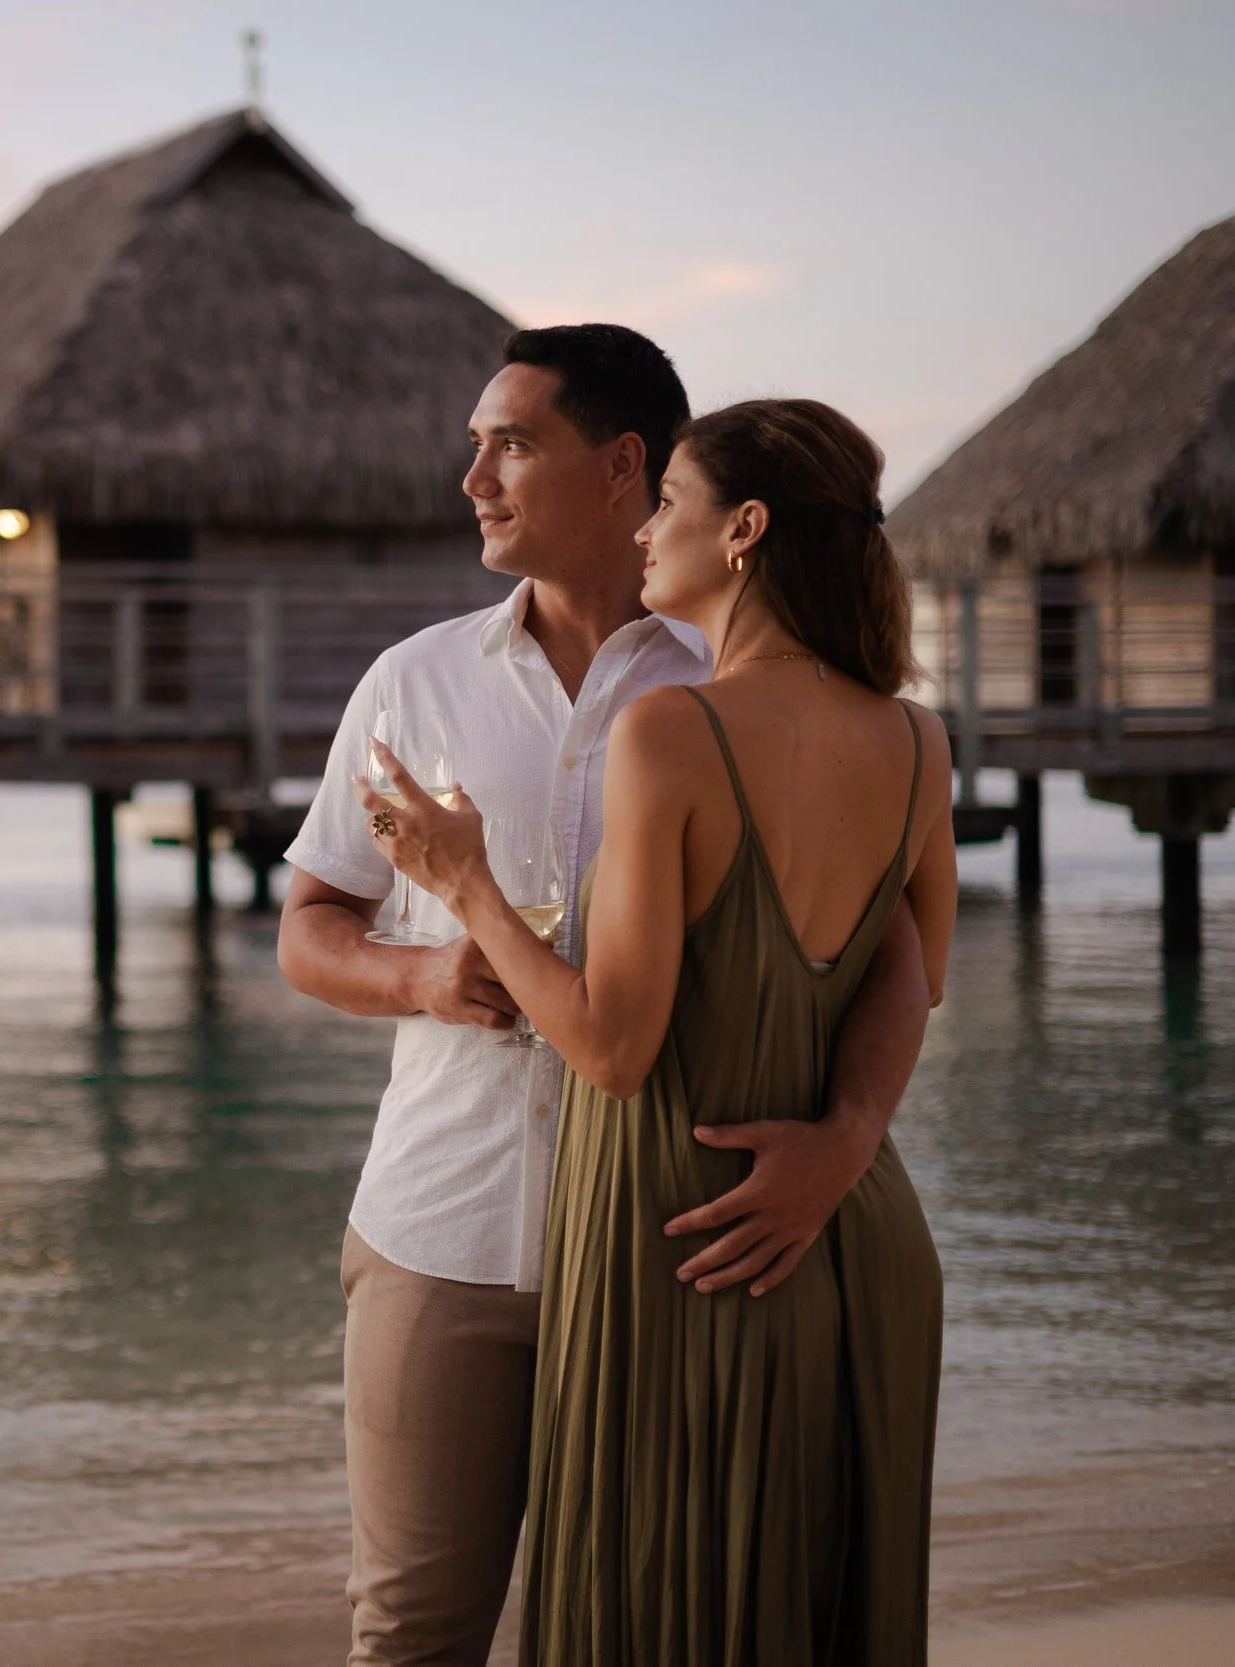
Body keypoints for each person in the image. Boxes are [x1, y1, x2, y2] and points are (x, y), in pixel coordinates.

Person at [277, 329, 936, 1667]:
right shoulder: (416, 680)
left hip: (665, 1250)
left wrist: (852, 1132)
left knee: (641, 1622)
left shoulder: (735, 682)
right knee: (410, 1631)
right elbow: (308, 927)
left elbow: (894, 956)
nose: (474, 476)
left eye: (510, 442)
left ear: (625, 466)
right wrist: (421, 971)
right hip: (449, 1227)